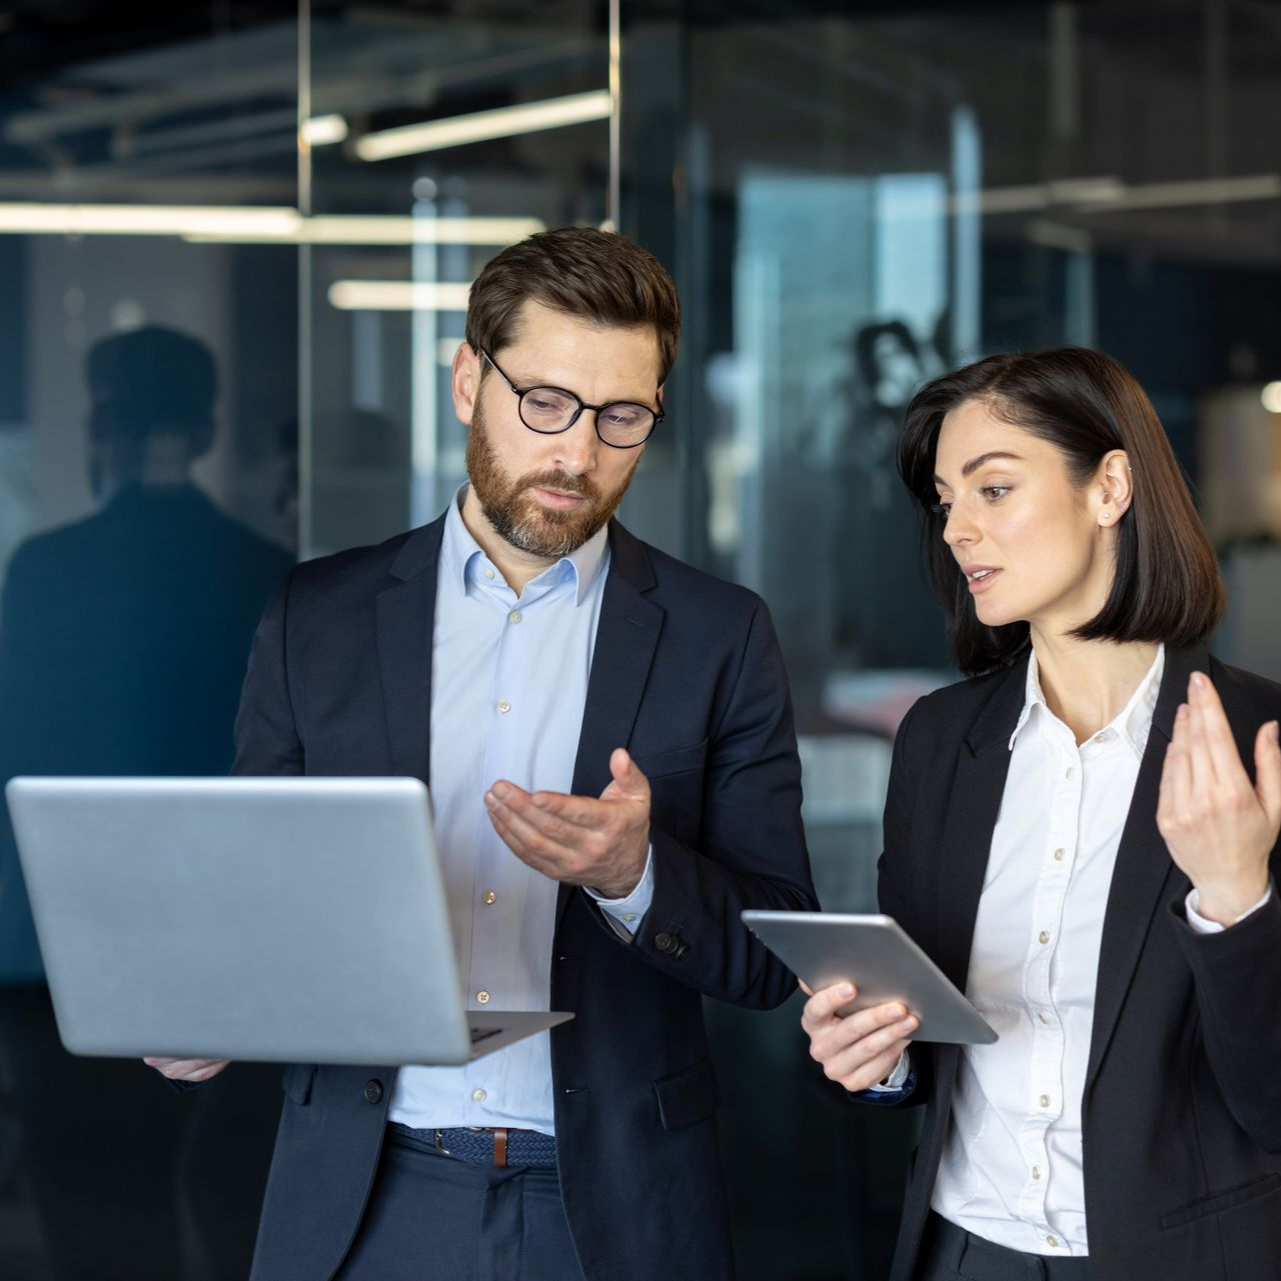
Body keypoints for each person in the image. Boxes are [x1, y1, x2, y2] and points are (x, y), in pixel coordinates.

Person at [149, 227, 817, 1281]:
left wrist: (637, 877)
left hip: (612, 1204)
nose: (578, 452)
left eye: (621, 417)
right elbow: (258, 886)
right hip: (365, 1190)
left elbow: (777, 952)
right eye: (544, 401)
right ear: (469, 381)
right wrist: (212, 1003)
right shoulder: (316, 615)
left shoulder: (717, 634)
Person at [800, 347, 1281, 1281]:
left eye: (992, 490)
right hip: (964, 1251)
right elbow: (917, 1030)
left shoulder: (1263, 740)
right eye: (945, 501)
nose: (956, 531)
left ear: (1109, 487)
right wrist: (874, 1054)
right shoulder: (939, 741)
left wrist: (1234, 896)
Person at [0, 326, 292, 1278]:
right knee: (237, 1209)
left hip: (62, 948)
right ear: (207, 429)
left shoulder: (43, 571)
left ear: (99, 425)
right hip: (231, 945)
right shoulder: (262, 569)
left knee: (95, 1225)